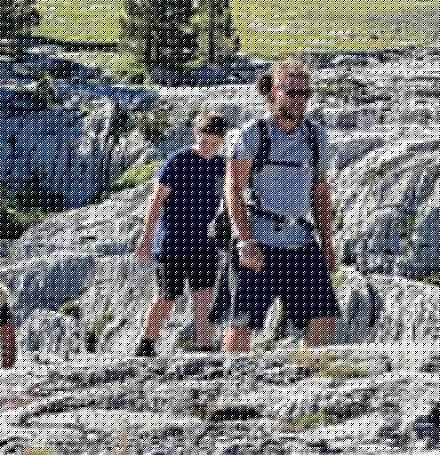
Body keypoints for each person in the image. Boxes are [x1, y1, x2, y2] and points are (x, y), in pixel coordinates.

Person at [222, 58, 339, 352]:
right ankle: (227, 386)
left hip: (301, 241)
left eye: (305, 94)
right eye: (292, 93)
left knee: (323, 317)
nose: (300, 101)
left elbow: (320, 193)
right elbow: (233, 190)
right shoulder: (252, 135)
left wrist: (327, 243)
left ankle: (313, 383)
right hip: (259, 242)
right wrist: (245, 240)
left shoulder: (316, 137)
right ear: (274, 91)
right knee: (242, 324)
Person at [133, 108, 229, 356]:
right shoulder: (178, 162)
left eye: (216, 141)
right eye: (205, 138)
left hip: (205, 244)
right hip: (171, 244)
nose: (209, 144)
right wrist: (146, 238)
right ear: (196, 134)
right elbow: (156, 201)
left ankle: (205, 349)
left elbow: (232, 199)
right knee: (166, 297)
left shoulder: (222, 167)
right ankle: (146, 345)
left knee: (204, 298)